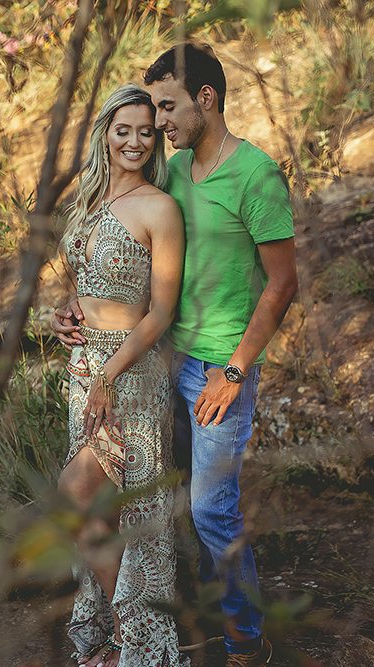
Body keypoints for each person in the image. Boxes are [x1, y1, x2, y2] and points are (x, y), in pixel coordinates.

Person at [53, 44, 298, 667]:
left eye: (166, 107)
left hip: (218, 368)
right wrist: (80, 307)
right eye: (152, 111)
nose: (158, 122)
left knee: (210, 508)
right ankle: (165, 626)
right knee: (161, 504)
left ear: (204, 99)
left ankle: (245, 643)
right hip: (163, 360)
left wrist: (235, 372)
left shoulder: (257, 176)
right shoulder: (177, 170)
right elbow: (129, 258)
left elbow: (282, 285)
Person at [55, 83, 186, 667]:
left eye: (146, 131)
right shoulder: (87, 199)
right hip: (83, 366)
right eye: (123, 129)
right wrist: (65, 314)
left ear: (156, 138)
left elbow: (161, 312)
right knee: (97, 507)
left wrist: (109, 372)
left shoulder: (160, 208)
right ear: (105, 133)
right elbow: (86, 285)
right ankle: (119, 635)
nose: (134, 141)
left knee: (82, 493)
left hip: (129, 371)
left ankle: (140, 640)